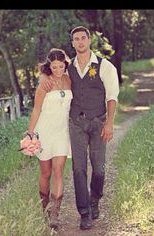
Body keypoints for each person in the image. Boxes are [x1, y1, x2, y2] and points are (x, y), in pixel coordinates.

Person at [40, 26, 119, 230]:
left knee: (99, 168)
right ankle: (84, 212)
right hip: (76, 123)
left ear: (89, 40)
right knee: (78, 169)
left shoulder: (104, 66)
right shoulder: (68, 67)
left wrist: (109, 122)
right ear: (72, 43)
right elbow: (52, 74)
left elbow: (112, 97)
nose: (81, 42)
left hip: (99, 122)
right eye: (76, 39)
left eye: (84, 38)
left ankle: (95, 200)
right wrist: (44, 81)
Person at [26, 48, 72, 229]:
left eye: (61, 66)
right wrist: (30, 132)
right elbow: (36, 110)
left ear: (65, 65)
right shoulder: (44, 84)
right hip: (44, 132)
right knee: (46, 172)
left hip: (62, 131)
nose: (58, 70)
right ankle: (45, 210)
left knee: (59, 170)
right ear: (49, 66)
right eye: (54, 67)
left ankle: (55, 214)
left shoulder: (69, 80)